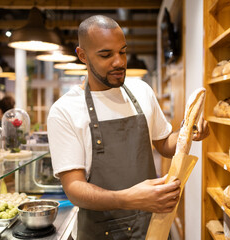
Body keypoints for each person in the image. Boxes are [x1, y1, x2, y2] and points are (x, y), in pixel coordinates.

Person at [47, 15, 209, 239]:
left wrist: (188, 133)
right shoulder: (65, 110)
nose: (119, 62)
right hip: (100, 231)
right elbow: (74, 188)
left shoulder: (142, 91)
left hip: (151, 226)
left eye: (122, 51)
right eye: (106, 55)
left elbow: (164, 144)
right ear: (82, 56)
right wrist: (128, 198)